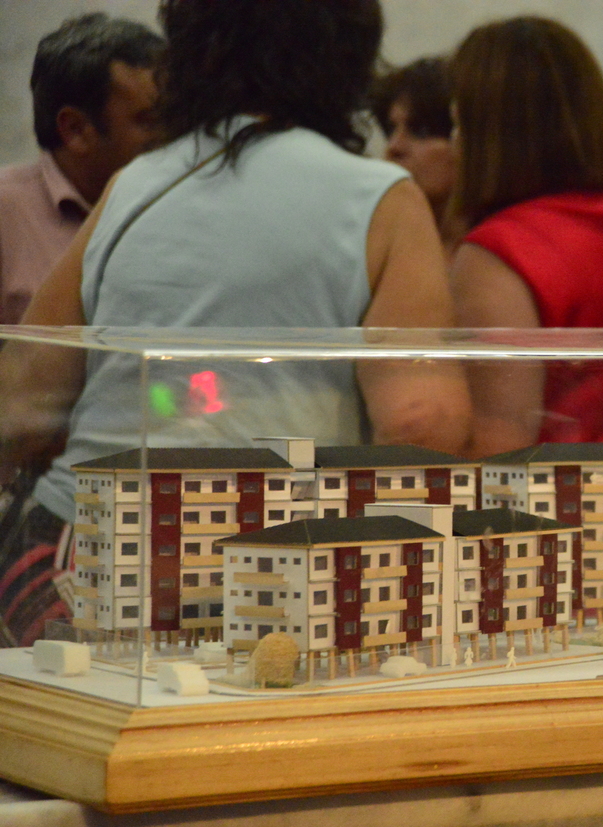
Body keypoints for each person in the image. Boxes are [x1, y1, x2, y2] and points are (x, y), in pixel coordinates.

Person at [0, 0, 470, 647]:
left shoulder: (135, 184)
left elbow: (20, 400)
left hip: (74, 553)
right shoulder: (382, 198)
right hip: (277, 560)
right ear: (349, 58)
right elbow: (420, 423)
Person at [448, 16, 603, 457]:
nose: (454, 143)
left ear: (488, 135)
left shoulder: (497, 253)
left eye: (458, 124)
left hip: (563, 495)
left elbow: (501, 444)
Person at [0, 14, 163, 326]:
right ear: (76, 129)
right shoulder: (6, 214)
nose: (172, 136)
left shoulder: (176, 204)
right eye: (149, 120)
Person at [370, 57, 463, 254]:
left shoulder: (503, 248)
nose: (394, 147)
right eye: (390, 130)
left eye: (420, 131)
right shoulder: (371, 245)